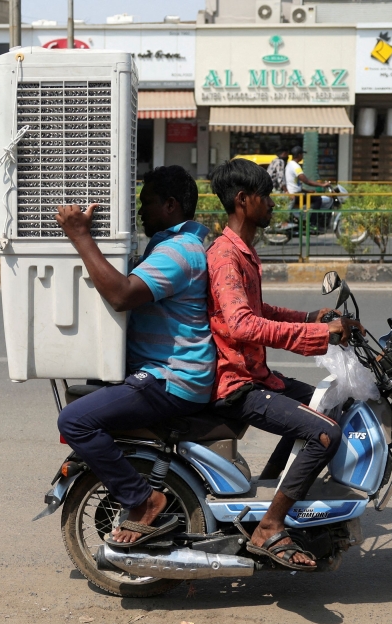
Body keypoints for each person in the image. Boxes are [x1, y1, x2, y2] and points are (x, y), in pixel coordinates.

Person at [207, 157, 363, 570]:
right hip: (237, 385)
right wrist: (315, 336)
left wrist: (311, 317)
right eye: (266, 195)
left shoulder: (244, 252)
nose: (274, 203)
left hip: (256, 376)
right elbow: (242, 324)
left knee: (322, 402)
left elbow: (259, 309)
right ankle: (270, 526)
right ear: (243, 200)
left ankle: (276, 493)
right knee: (325, 435)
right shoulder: (225, 257)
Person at [54, 165, 217, 546]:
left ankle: (143, 500)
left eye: (147, 204)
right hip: (163, 373)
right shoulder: (170, 247)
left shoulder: (178, 251)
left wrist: (80, 235)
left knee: (74, 421)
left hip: (171, 378)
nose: (140, 213)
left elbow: (122, 294)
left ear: (171, 205)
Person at [285, 145, 333, 210]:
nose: (303, 156)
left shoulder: (289, 164)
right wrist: (322, 185)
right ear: (299, 155)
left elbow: (295, 186)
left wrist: (308, 191)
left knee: (313, 194)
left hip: (295, 193)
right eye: (302, 154)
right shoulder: (295, 166)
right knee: (318, 199)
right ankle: (313, 219)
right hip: (296, 195)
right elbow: (306, 181)